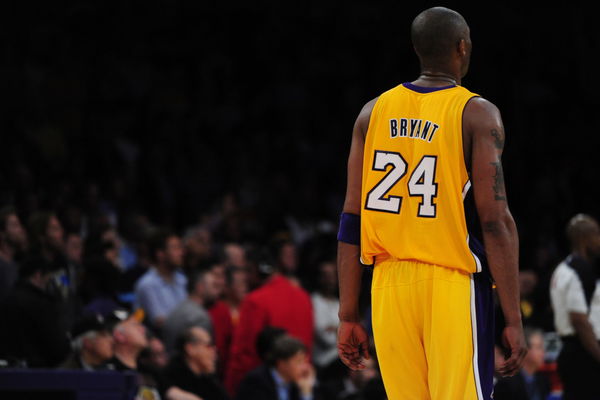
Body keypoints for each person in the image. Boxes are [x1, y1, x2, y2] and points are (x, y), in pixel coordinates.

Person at [336, 7, 526, 399]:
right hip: (449, 281)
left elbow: (351, 219)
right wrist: (513, 316)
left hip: (387, 286)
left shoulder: (371, 113)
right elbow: (496, 221)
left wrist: (348, 313)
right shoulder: (476, 112)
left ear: (416, 48)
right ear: (463, 47)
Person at [225, 248, 314, 395]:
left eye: (248, 271)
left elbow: (244, 355)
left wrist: (232, 390)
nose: (246, 278)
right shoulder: (303, 297)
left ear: (257, 269)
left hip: (264, 389)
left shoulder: (255, 300)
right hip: (302, 382)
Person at [549, 214, 600, 399]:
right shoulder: (580, 269)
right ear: (585, 237)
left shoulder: (561, 269)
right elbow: (579, 320)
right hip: (584, 354)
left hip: (570, 351)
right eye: (597, 234)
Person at [0, 255, 71, 367]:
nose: (50, 280)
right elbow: (57, 348)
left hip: (9, 372)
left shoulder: (7, 299)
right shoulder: (41, 304)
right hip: (38, 374)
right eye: (48, 275)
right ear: (38, 275)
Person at [235, 334, 319, 400]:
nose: (305, 367)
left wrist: (306, 393)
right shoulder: (256, 382)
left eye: (304, 361)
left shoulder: (298, 383)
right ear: (281, 364)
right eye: (299, 362)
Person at [134, 229, 188, 330]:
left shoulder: (182, 279)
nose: (181, 252)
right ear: (160, 254)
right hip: (158, 338)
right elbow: (159, 322)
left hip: (183, 333)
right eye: (175, 248)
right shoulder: (147, 284)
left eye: (180, 248)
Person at [161, 326, 230, 400]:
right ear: (190, 349)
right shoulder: (168, 380)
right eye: (208, 346)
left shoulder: (209, 381)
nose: (214, 351)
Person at [163, 268, 220, 355]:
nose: (217, 292)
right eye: (213, 286)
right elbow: (202, 353)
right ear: (200, 287)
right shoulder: (200, 317)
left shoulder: (177, 309)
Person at [493, 327, 551, 400]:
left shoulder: (544, 381)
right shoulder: (507, 384)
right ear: (525, 350)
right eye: (539, 347)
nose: (543, 352)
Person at [0, 206, 27, 298]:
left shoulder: (18, 263)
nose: (20, 230)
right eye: (15, 225)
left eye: (19, 225)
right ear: (2, 234)